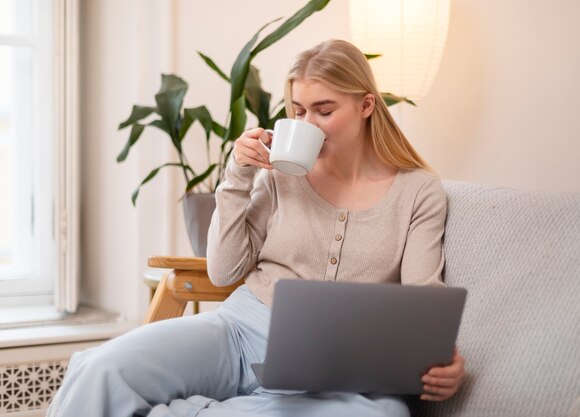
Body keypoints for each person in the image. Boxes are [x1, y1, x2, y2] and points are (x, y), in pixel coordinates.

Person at [47, 39, 465, 417]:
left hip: (343, 370)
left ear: (366, 106)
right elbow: (223, 273)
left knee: (384, 416)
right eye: (298, 111)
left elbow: (424, 298)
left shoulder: (418, 191)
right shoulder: (281, 174)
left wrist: (445, 360)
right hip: (241, 331)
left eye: (324, 110)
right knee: (103, 370)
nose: (308, 124)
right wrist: (238, 174)